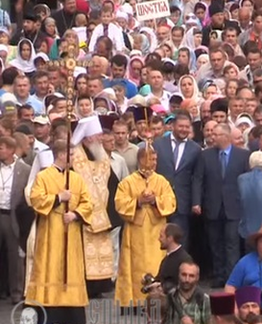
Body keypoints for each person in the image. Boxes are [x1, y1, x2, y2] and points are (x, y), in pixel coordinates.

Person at [27, 140, 93, 324]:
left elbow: (88, 202)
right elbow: (36, 199)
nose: (73, 158)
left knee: (70, 269)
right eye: (71, 154)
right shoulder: (44, 176)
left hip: (71, 232)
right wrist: (58, 198)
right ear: (62, 154)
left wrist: (75, 214)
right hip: (50, 231)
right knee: (51, 266)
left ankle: (71, 312)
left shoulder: (76, 178)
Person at [114, 145, 177, 309]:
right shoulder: (127, 182)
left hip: (157, 231)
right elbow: (120, 204)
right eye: (151, 159)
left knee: (157, 263)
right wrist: (139, 201)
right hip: (135, 232)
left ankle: (159, 300)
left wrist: (155, 200)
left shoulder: (161, 181)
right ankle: (134, 301)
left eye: (155, 159)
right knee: (134, 265)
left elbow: (171, 202)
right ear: (141, 159)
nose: (154, 162)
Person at [193, 122, 250, 287]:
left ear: (225, 137)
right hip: (213, 206)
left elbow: (247, 181)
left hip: (234, 207)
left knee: (232, 244)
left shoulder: (243, 155)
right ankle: (219, 276)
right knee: (215, 244)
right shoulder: (205, 155)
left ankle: (232, 278)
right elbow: (198, 179)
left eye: (215, 135)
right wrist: (196, 202)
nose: (212, 137)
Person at [70, 115, 119, 297]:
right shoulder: (74, 156)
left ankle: (100, 286)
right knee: (84, 253)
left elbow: (112, 184)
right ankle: (85, 287)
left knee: (101, 252)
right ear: (87, 138)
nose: (101, 138)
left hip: (102, 214)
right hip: (81, 214)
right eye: (97, 135)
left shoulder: (101, 155)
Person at [153, 110, 201, 244]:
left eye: (187, 127)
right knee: (158, 240)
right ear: (173, 126)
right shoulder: (158, 144)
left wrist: (195, 202)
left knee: (180, 241)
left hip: (182, 203)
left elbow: (197, 177)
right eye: (181, 126)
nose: (183, 129)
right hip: (159, 201)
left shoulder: (195, 149)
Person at [0, 136, 31, 304]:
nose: (0, 151)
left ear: (12, 150)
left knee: (15, 257)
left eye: (2, 148)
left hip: (13, 217)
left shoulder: (25, 170)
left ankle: (17, 293)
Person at [156, 223, 193, 294]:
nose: (159, 239)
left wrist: (163, 287)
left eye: (161, 236)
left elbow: (186, 285)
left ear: (170, 238)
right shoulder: (166, 259)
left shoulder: (185, 259)